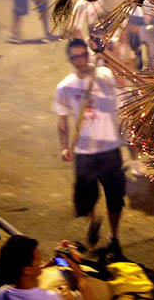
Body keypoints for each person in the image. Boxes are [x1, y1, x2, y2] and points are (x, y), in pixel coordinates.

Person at [53, 39, 126, 259]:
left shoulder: (104, 75)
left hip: (109, 148)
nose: (80, 60)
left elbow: (123, 80)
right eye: (75, 57)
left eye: (83, 55)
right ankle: (93, 221)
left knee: (115, 197)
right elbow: (62, 120)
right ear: (70, 59)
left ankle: (114, 236)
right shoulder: (65, 86)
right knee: (85, 198)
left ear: (88, 54)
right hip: (84, 152)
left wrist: (105, 54)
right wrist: (65, 148)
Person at [0, 236, 94, 300]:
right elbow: (84, 288)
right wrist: (73, 264)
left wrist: (57, 259)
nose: (40, 259)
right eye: (37, 256)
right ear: (26, 270)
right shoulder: (50, 297)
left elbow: (39, 268)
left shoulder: (3, 292)